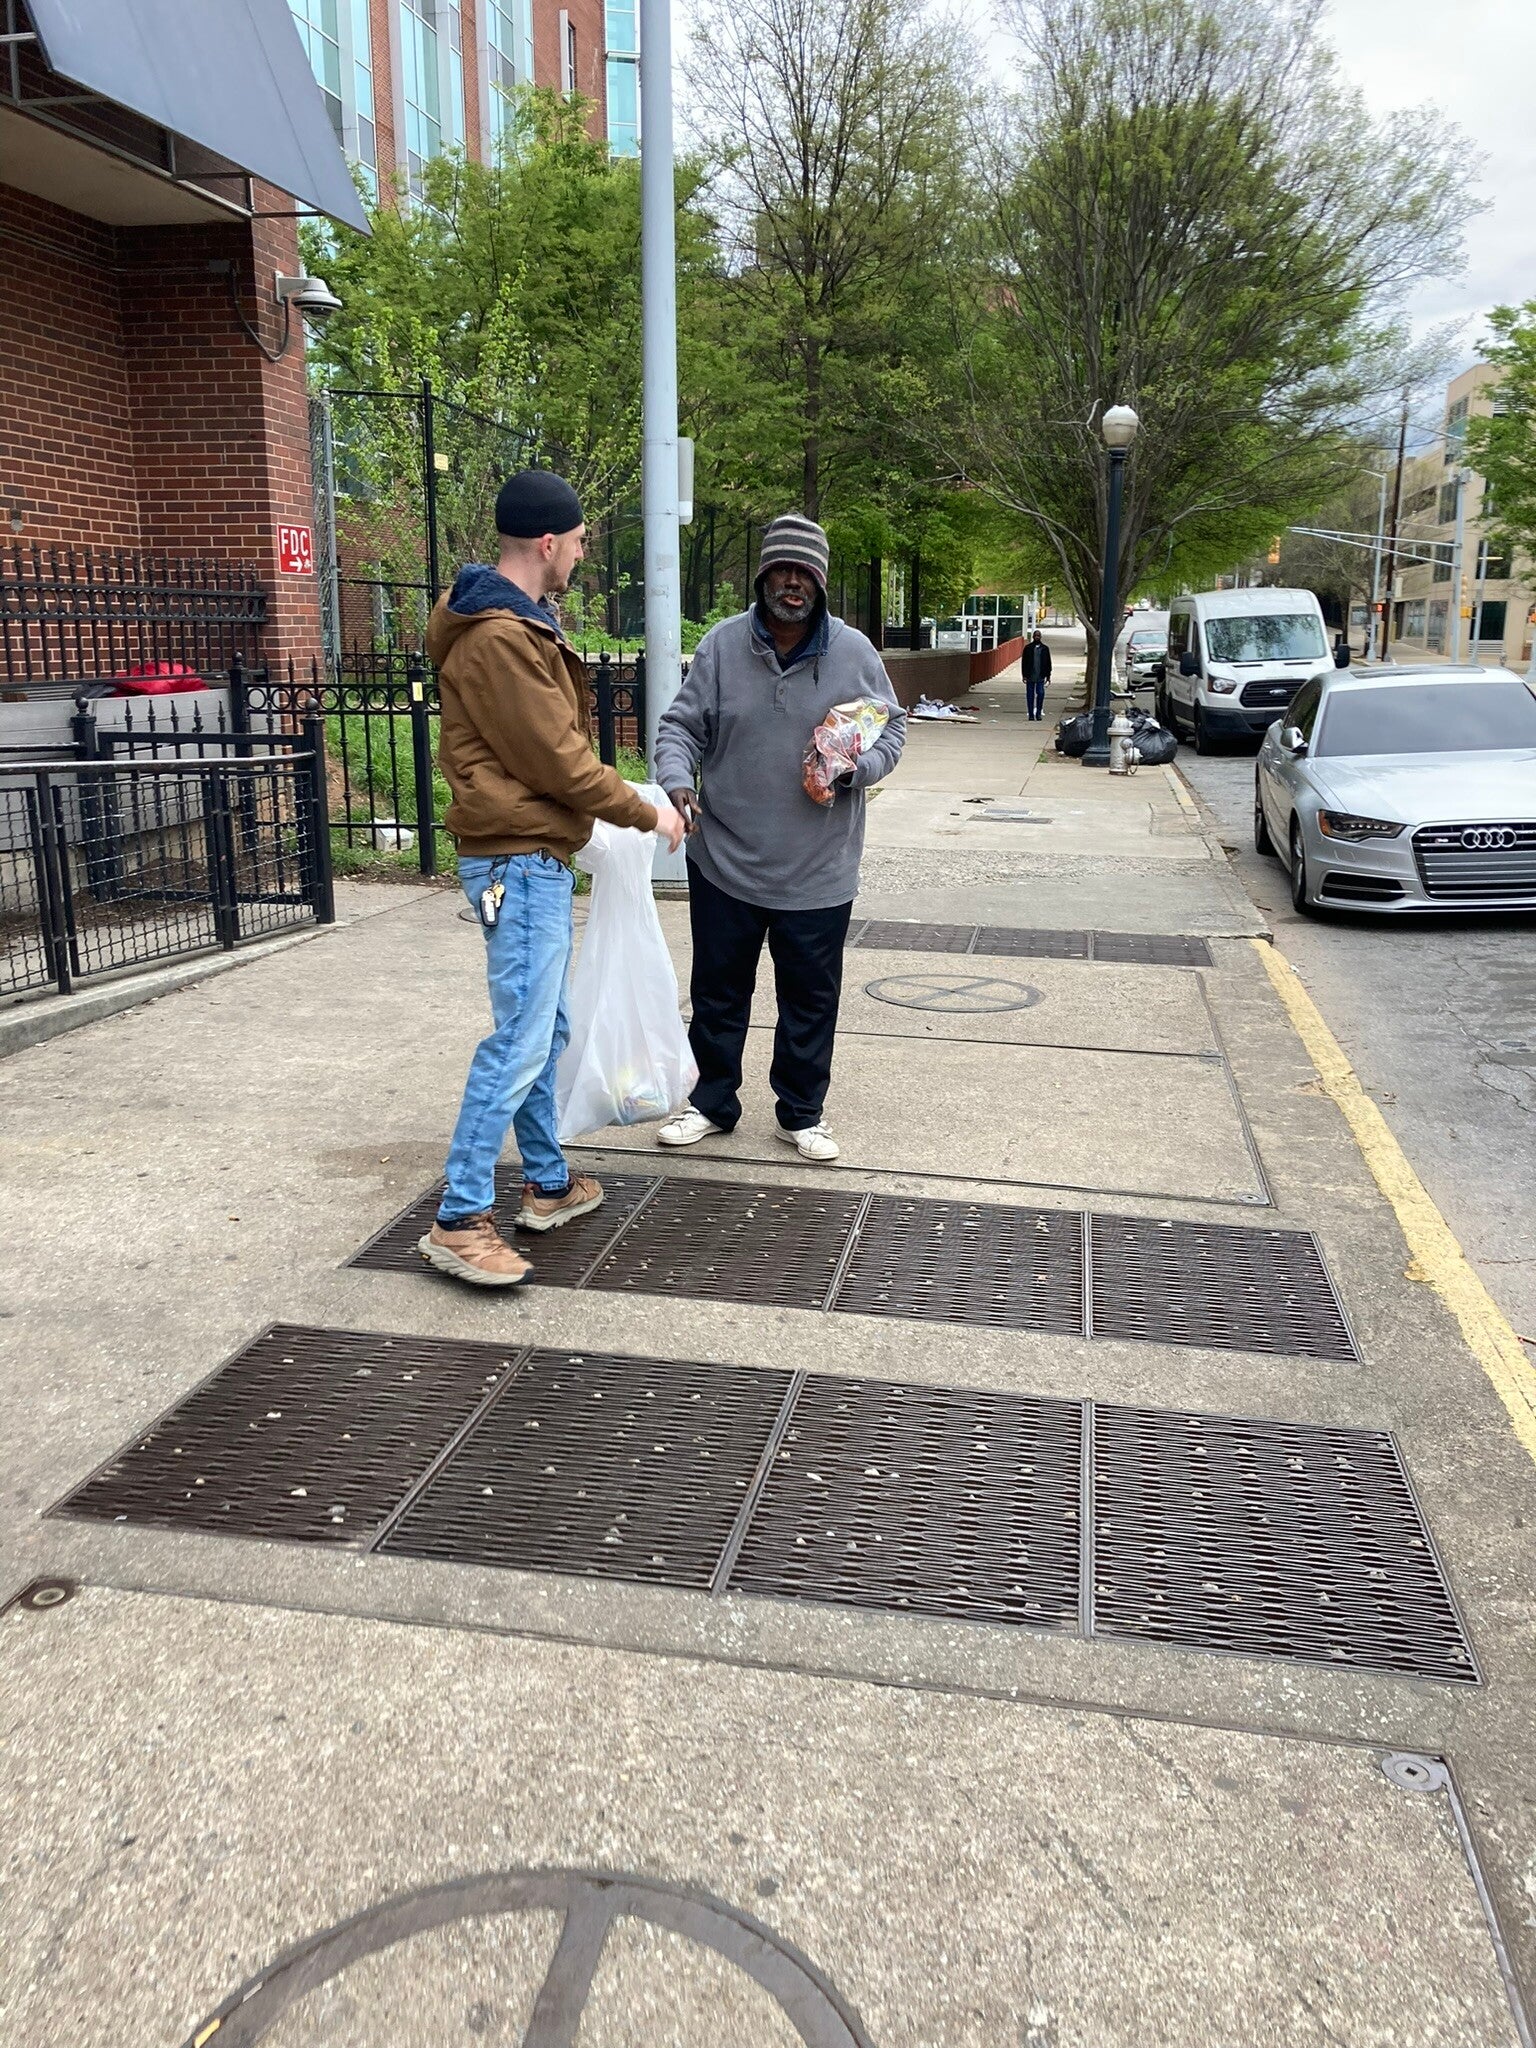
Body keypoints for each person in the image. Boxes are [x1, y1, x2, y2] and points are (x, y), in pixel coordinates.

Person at [416, 468, 685, 1287]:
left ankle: (549, 1182)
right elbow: (560, 762)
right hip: (518, 859)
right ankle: (460, 1219)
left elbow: (546, 758)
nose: (581, 554)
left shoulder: (513, 625)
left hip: (526, 856)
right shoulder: (501, 638)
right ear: (546, 542)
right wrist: (647, 813)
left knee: (543, 1030)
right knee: (521, 1041)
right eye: (577, 541)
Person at [652, 513, 906, 1163]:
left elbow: (892, 728)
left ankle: (801, 1112)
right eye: (781, 570)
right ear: (763, 576)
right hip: (726, 859)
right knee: (717, 994)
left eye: (804, 573)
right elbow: (680, 728)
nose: (792, 583)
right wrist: (677, 783)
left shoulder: (854, 652)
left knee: (810, 1000)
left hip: (819, 867)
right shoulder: (721, 646)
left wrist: (856, 770)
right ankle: (711, 1103)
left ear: (820, 583)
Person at [1023, 630, 1052, 721]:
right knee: (1030, 696)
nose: (1037, 637)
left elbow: (1048, 663)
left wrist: (1048, 676)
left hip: (1040, 676)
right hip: (1030, 676)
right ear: (1033, 637)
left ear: (1040, 637)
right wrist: (1024, 675)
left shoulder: (1045, 649)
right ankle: (1031, 714)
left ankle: (1038, 713)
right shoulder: (1028, 648)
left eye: (1038, 636)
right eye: (1035, 635)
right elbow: (1024, 662)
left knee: (1041, 693)